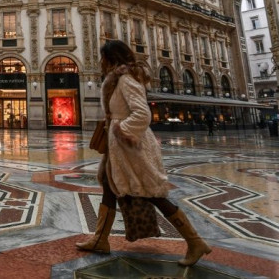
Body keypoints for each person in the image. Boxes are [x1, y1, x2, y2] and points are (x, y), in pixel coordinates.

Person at [76, 40, 211, 267]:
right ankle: (100, 239)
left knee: (152, 194)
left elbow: (142, 114)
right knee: (110, 188)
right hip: (118, 149)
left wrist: (121, 130)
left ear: (112, 58)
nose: (101, 62)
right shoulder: (116, 80)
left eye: (104, 58)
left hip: (132, 148)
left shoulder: (126, 80)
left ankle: (195, 242)